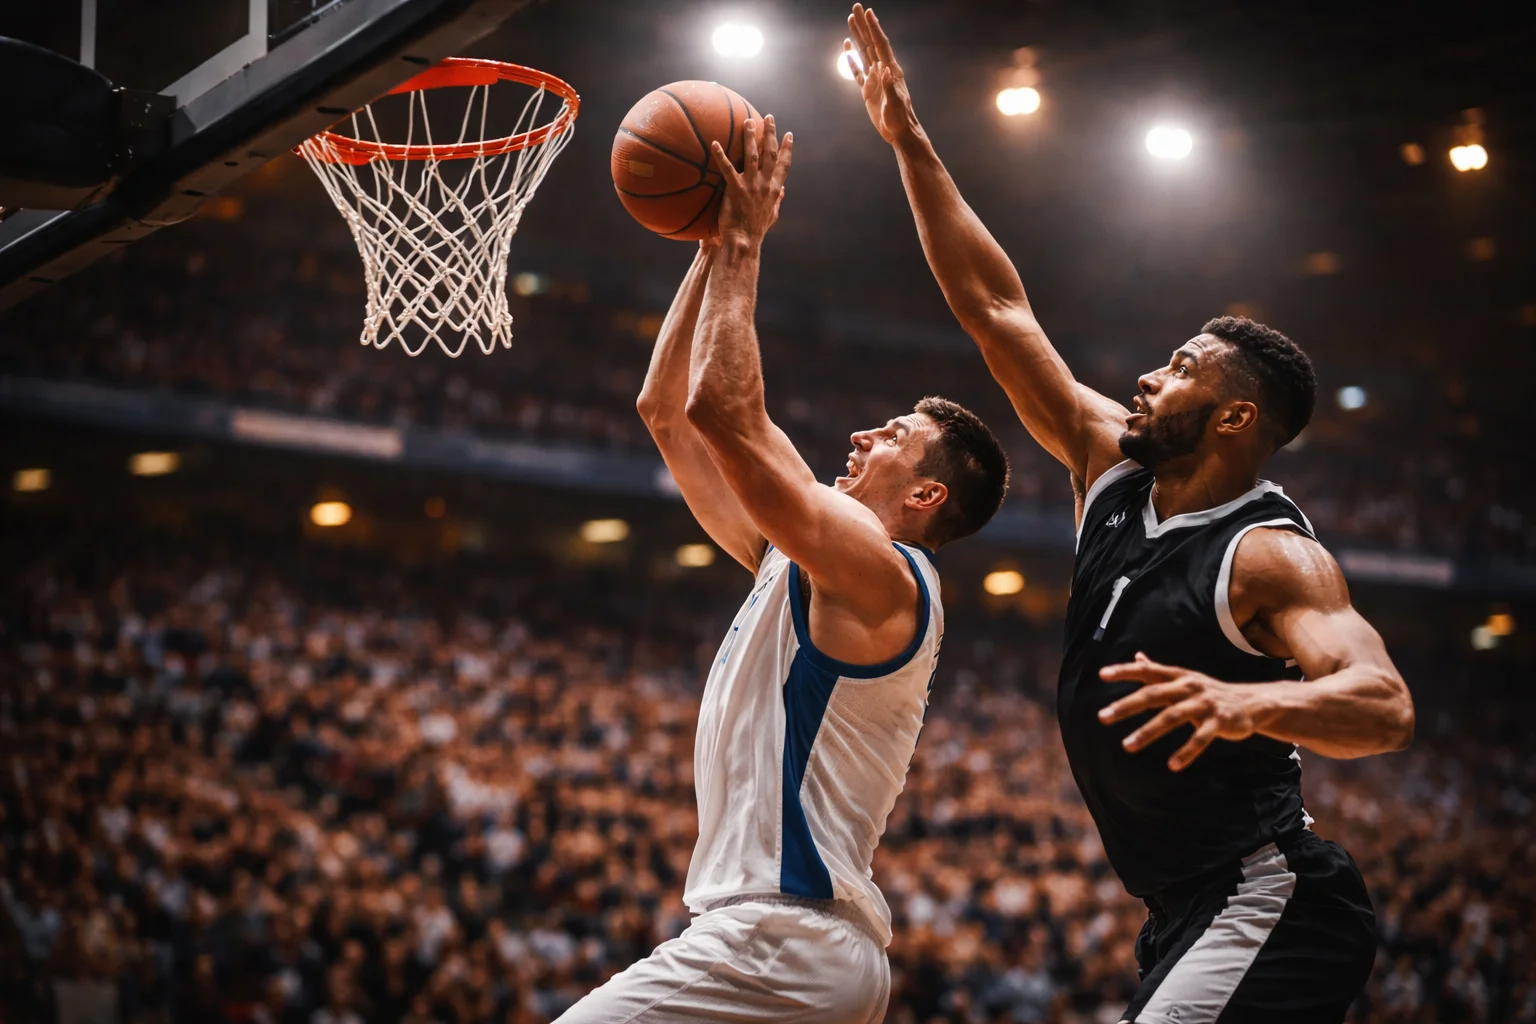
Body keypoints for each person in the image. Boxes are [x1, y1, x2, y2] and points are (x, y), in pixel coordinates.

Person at [843, 6, 1417, 1023]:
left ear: (1236, 416)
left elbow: (1383, 705)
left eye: (1183, 369)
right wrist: (908, 138)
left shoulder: (1270, 558)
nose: (1149, 376)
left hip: (1271, 896)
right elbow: (996, 307)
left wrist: (1251, 704)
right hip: (1180, 911)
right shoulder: (1109, 465)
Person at [556, 115, 1009, 1023]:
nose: (861, 436)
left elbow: (725, 409)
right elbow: (669, 410)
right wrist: (708, 239)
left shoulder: (886, 576)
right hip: (782, 948)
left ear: (925, 497)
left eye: (892, 438)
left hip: (780, 944)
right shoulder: (793, 560)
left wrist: (744, 240)